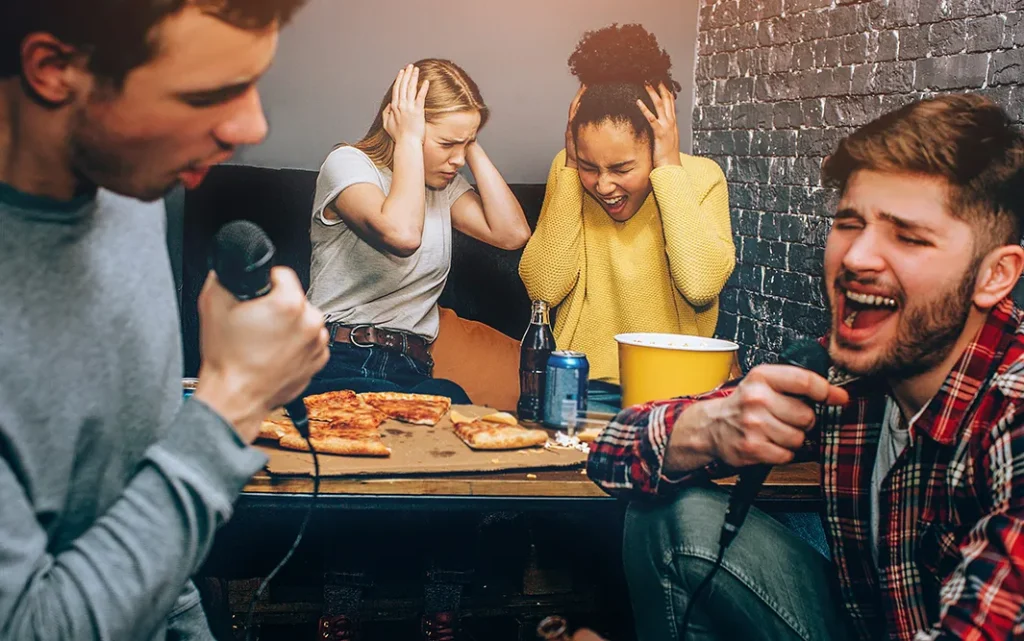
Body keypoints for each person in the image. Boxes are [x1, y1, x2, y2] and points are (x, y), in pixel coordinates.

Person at [587, 94, 1024, 641]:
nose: (858, 258)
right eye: (848, 223)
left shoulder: (1014, 415)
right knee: (671, 515)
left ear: (995, 276)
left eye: (908, 236)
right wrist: (709, 430)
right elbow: (609, 455)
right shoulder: (844, 372)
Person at [0, 1, 329, 640]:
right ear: (53, 69)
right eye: (212, 93)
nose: (252, 126)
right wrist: (233, 400)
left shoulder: (131, 188)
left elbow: (144, 539)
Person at [518, 24, 735, 413]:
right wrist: (570, 169)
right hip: (581, 387)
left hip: (680, 391)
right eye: (589, 166)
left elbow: (700, 285)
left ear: (656, 147)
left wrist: (668, 170)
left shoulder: (701, 178)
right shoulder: (568, 175)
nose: (603, 185)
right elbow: (543, 289)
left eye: (621, 168)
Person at [307, 59, 531, 405]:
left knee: (454, 405)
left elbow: (512, 234)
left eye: (466, 144)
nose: (457, 159)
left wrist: (465, 140)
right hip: (336, 357)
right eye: (446, 144)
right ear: (403, 125)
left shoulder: (443, 186)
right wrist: (408, 140)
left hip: (412, 366)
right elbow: (403, 235)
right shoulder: (349, 165)